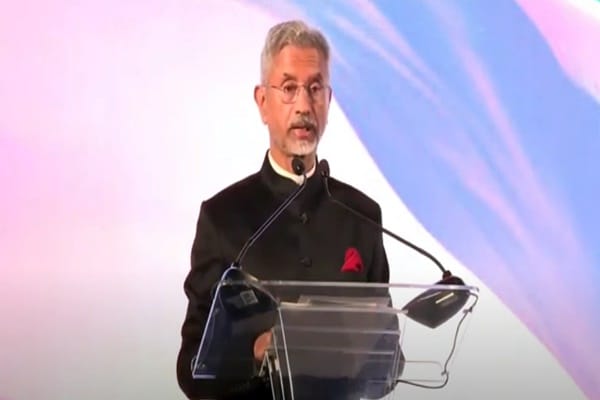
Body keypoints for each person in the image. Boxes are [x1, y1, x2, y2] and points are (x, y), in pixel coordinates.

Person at [176, 20, 394, 400]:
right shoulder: (222, 218)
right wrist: (256, 352)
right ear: (263, 102)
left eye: (315, 88)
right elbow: (190, 368)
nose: (304, 106)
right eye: (289, 88)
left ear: (329, 100)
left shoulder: (362, 215)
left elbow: (388, 354)